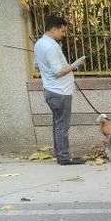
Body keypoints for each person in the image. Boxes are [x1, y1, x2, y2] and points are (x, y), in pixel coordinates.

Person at [33, 15, 86, 165]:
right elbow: (58, 72)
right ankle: (64, 157)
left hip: (51, 90)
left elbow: (37, 66)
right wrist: (75, 64)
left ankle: (61, 155)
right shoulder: (50, 47)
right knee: (62, 126)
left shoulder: (39, 44)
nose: (63, 34)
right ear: (54, 29)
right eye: (62, 31)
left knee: (58, 124)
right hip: (60, 91)